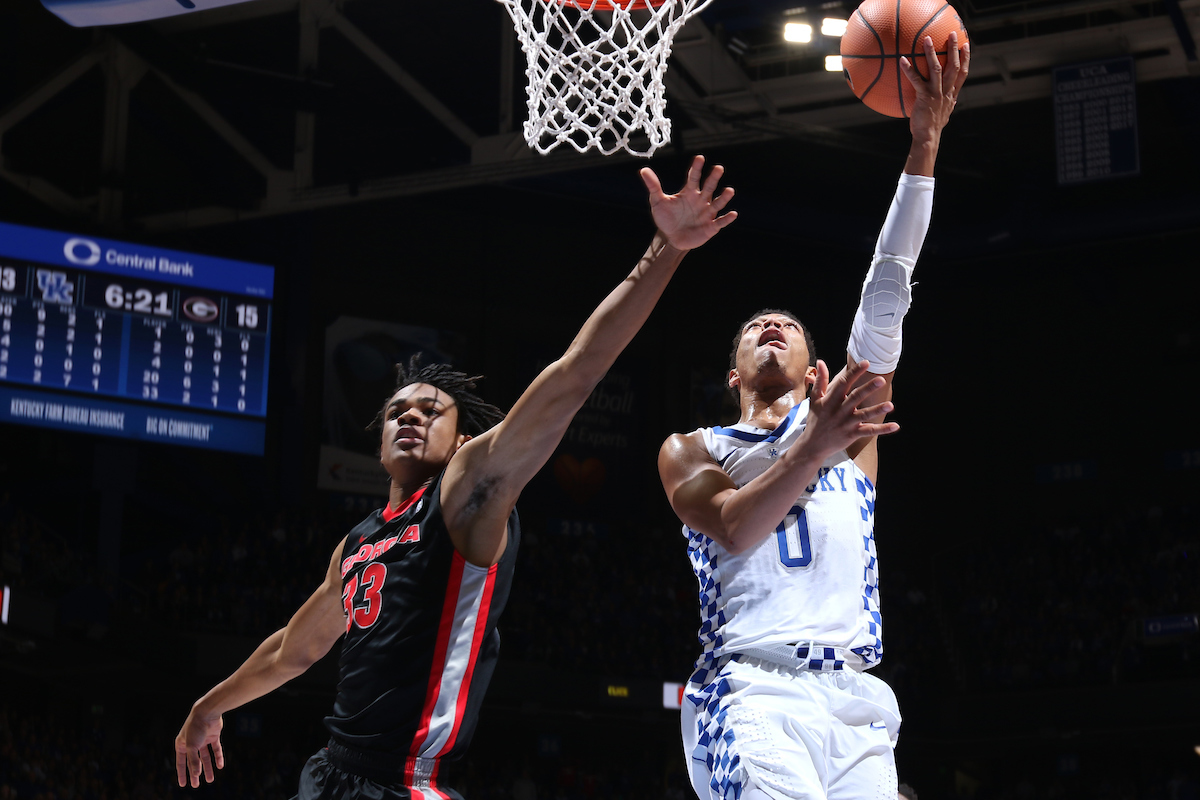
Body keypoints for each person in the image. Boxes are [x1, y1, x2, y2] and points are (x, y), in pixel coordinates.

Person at [174, 155, 738, 797]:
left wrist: (664, 251)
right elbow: (291, 652)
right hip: (329, 774)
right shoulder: (357, 544)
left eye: (429, 410)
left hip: (404, 783)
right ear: (379, 443)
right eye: (395, 412)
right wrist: (208, 706)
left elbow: (575, 373)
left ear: (465, 440)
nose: (408, 418)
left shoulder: (467, 492)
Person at [657, 35, 969, 800]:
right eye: (755, 327)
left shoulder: (850, 429)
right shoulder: (694, 448)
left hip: (855, 700)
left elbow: (887, 289)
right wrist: (811, 447)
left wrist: (924, 146)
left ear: (811, 359)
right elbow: (731, 527)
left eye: (788, 325)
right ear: (733, 374)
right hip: (752, 691)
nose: (772, 327)